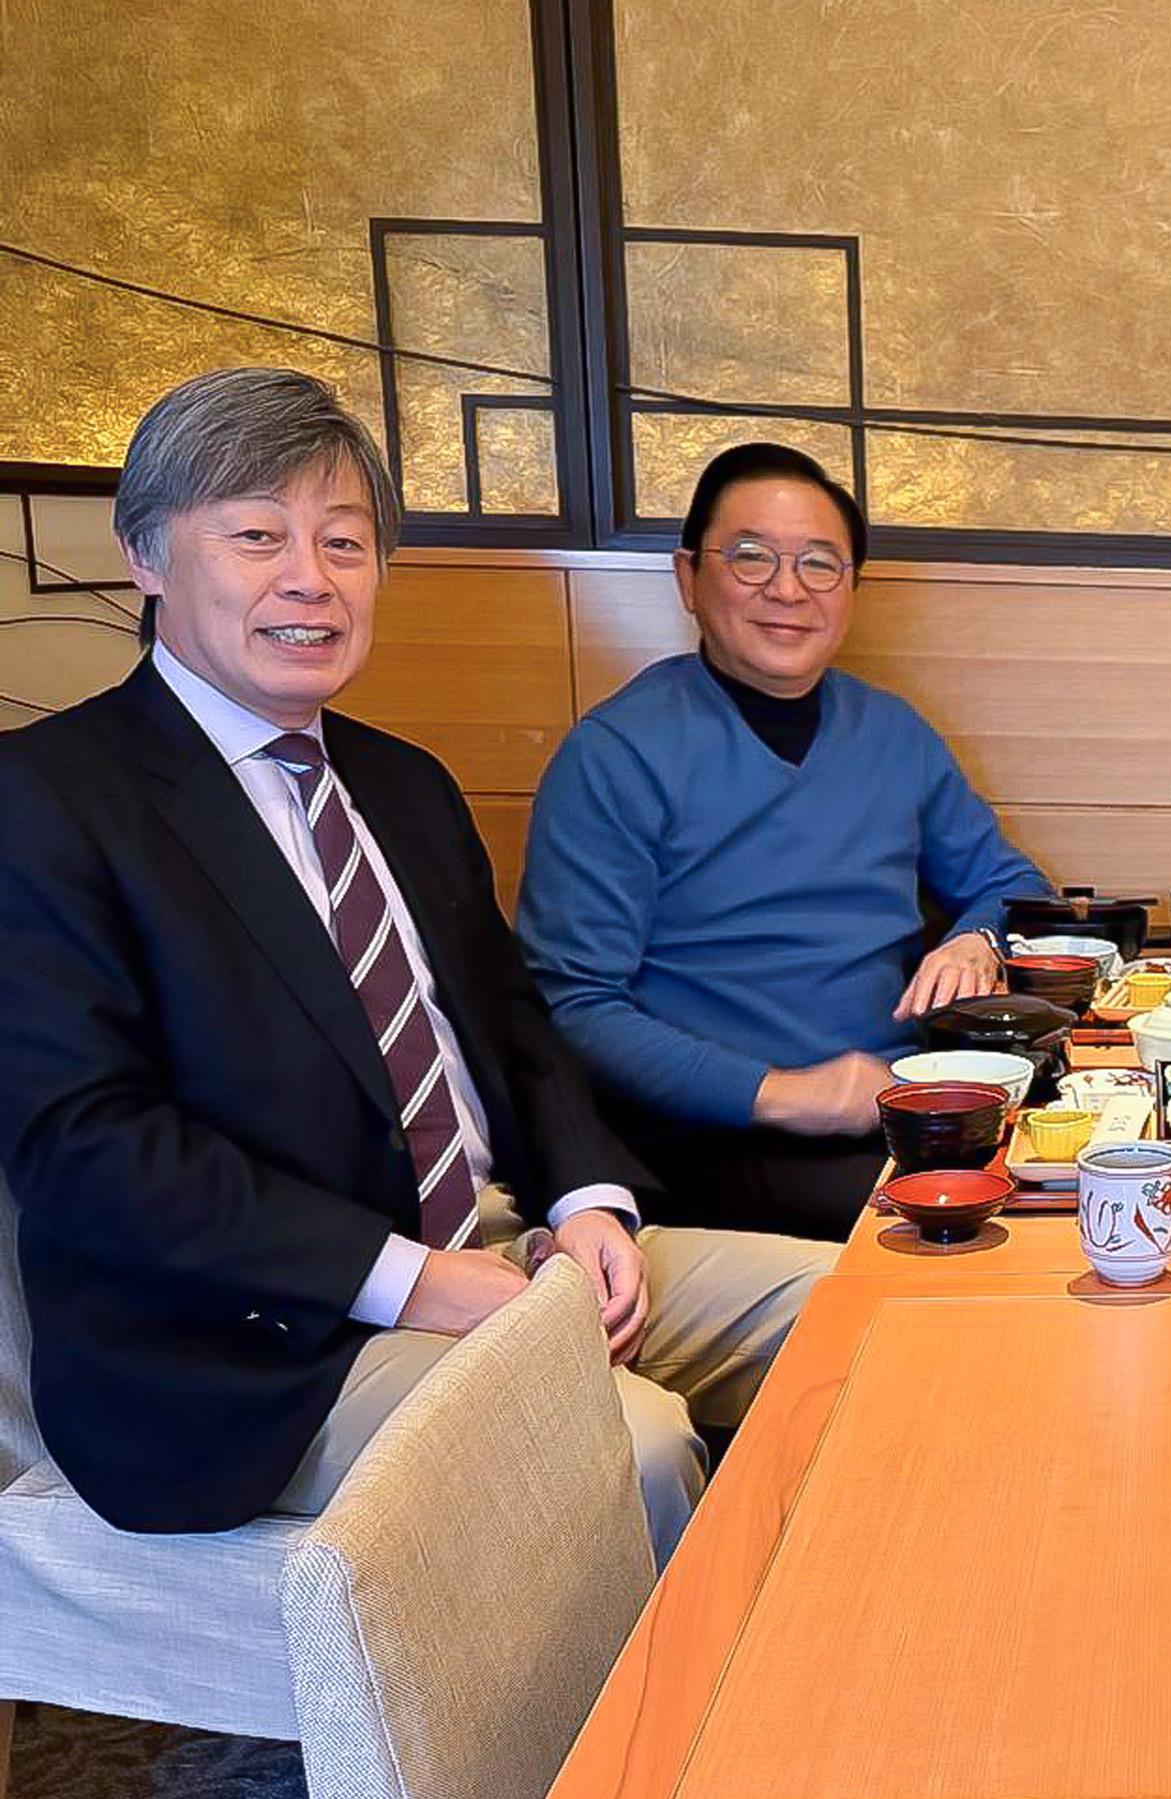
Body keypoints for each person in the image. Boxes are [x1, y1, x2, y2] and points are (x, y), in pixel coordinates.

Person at [0, 368, 827, 1563]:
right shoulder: (47, 800)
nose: (310, 578)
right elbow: (90, 1150)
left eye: (346, 541)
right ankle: (661, 1750)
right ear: (145, 555)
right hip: (258, 1346)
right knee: (631, 1444)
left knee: (873, 1309)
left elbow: (517, 1026)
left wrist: (590, 1203)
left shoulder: (402, 783)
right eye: (256, 535)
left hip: (508, 1249)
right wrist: (416, 1283)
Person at [516, 443, 1051, 1240]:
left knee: (1086, 1170)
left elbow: (1012, 885)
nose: (787, 589)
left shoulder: (892, 732)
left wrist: (977, 936)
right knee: (979, 1237)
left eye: (819, 564)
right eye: (751, 556)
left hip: (899, 1102)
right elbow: (575, 1007)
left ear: (852, 588)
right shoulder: (616, 753)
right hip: (714, 1134)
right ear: (687, 577)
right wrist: (784, 1093)